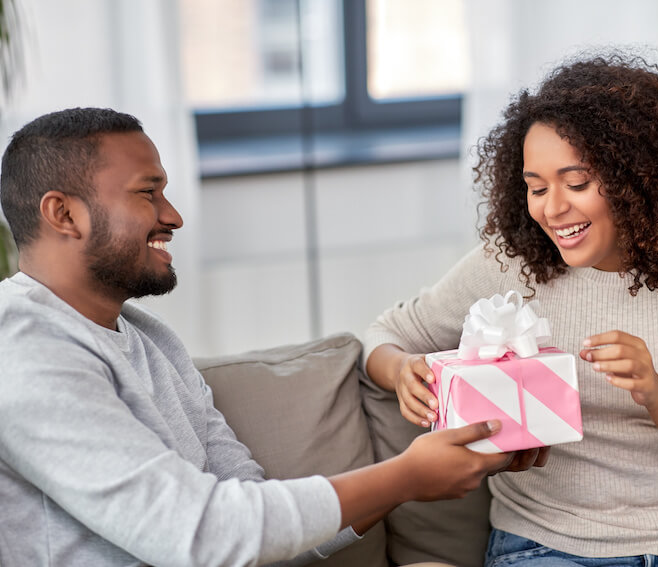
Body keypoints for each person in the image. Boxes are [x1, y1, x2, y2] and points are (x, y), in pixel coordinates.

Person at [0, 107, 544, 567]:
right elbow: (202, 535)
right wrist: (405, 477)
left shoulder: (151, 340)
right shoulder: (22, 348)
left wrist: (421, 472)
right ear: (63, 214)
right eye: (148, 193)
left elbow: (256, 521)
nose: (174, 216)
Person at [363, 53, 658, 566]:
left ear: (639, 179)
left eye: (576, 183)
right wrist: (400, 370)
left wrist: (655, 392)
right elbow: (384, 334)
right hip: (548, 550)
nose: (552, 208)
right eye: (536, 188)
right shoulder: (511, 264)